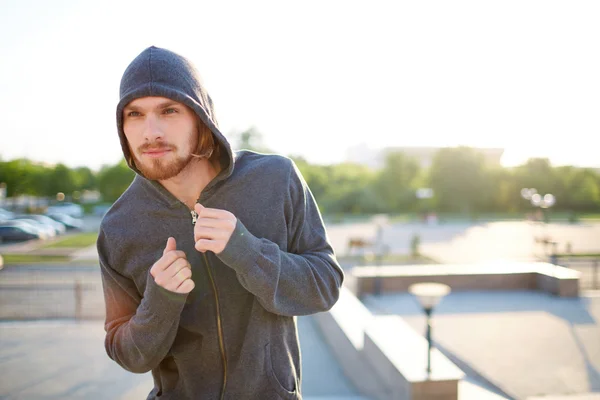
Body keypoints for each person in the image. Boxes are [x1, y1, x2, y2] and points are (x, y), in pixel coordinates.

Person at [98, 46, 344, 400]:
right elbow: (126, 352)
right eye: (135, 114)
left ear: (202, 117)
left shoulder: (275, 179)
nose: (150, 131)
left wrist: (248, 252)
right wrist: (160, 301)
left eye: (169, 110)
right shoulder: (119, 226)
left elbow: (325, 286)